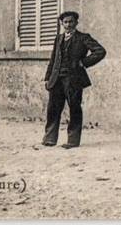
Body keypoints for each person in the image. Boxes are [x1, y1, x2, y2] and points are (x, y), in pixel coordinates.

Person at [42, 11, 106, 149]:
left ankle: (73, 140)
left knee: (74, 108)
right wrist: (47, 78)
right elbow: (53, 60)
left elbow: (100, 51)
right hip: (57, 79)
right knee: (53, 108)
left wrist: (84, 62)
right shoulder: (58, 39)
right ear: (62, 24)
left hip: (74, 79)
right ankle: (50, 138)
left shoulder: (83, 38)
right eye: (65, 22)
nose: (68, 25)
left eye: (71, 22)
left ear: (76, 23)